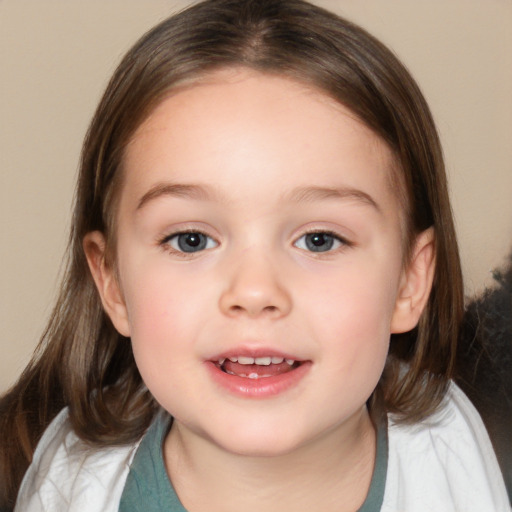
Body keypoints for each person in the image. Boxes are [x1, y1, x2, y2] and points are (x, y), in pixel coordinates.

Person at [0, 0, 509, 510]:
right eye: (191, 240)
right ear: (111, 281)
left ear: (409, 281)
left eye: (319, 240)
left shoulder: (484, 458)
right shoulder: (49, 485)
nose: (255, 291)